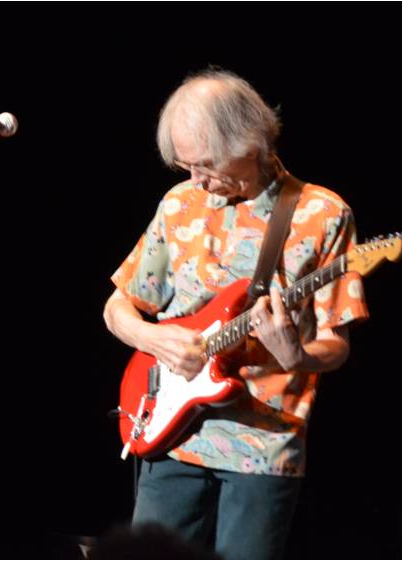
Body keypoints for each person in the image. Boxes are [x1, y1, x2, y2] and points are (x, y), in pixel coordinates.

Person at [103, 69, 369, 559]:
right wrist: (154, 339)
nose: (196, 180)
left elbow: (336, 345)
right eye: (185, 166)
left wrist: (297, 354)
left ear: (249, 142)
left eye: (205, 164)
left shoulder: (322, 214)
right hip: (167, 433)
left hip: (263, 448)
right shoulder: (180, 203)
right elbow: (118, 307)